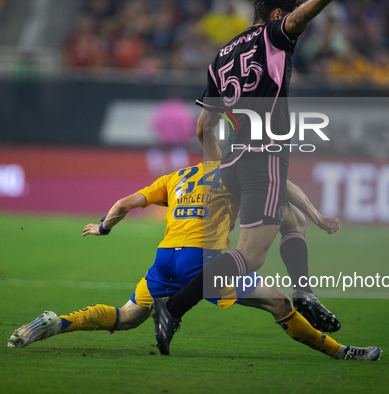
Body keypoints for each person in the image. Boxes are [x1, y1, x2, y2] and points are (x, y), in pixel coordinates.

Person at [8, 161, 382, 361]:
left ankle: (57, 323)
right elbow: (279, 184)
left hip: (164, 261)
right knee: (278, 301)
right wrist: (316, 218)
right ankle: (341, 352)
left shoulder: (175, 177)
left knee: (126, 317)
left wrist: (104, 228)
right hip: (201, 262)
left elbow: (124, 204)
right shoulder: (232, 172)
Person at [153, 0, 335, 354]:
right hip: (263, 155)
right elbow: (301, 16)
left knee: (293, 219)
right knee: (249, 257)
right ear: (278, 15)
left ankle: (305, 292)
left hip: (233, 160)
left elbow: (204, 127)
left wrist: (219, 172)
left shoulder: (221, 56)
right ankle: (173, 307)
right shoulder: (274, 36)